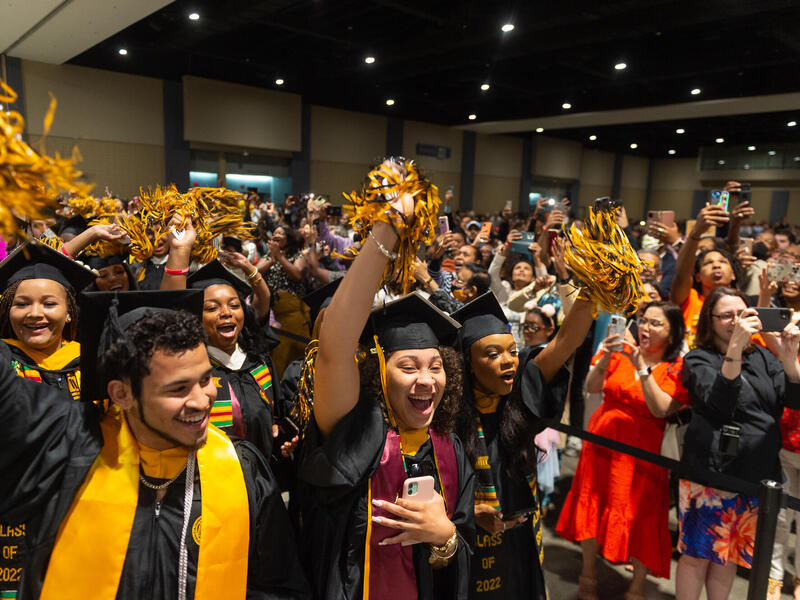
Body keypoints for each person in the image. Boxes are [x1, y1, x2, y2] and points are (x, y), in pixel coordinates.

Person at [0, 289, 310, 599]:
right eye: (178, 389)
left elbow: (279, 586)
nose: (202, 401)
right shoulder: (67, 451)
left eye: (205, 380)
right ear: (122, 395)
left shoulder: (241, 468)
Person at [298, 165, 475, 599]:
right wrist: (388, 227)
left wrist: (444, 537)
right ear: (378, 370)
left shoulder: (450, 449)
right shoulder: (357, 434)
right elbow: (336, 343)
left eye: (435, 366)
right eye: (409, 366)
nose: (427, 379)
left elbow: (458, 551)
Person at [451, 291, 593, 599]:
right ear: (468, 364)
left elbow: (566, 340)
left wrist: (591, 288)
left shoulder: (520, 396)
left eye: (512, 352)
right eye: (492, 354)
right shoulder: (446, 419)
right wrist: (469, 513)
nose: (508, 362)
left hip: (518, 542)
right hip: (467, 545)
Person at [557, 301, 689, 599]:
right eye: (643, 320)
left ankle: (637, 586)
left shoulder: (676, 367)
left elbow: (659, 410)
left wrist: (641, 366)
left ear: (672, 334)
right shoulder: (620, 353)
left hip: (643, 452)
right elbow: (591, 387)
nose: (645, 328)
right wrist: (605, 358)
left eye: (656, 323)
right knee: (593, 503)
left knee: (643, 515)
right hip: (602, 441)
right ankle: (587, 574)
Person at [676, 287, 800, 600]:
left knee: (729, 553)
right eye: (726, 316)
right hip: (711, 474)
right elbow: (720, 402)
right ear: (710, 320)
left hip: (754, 472)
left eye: (741, 314)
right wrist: (734, 347)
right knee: (696, 555)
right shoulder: (698, 358)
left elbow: (793, 400)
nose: (735, 321)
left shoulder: (759, 356)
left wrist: (787, 359)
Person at [0, 241, 96, 599]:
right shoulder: (4, 365)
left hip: (84, 508)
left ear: (70, 312)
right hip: (14, 519)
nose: (34, 313)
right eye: (21, 304)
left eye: (49, 303)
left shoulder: (94, 363)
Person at [259, 226, 310, 376]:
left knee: (297, 354)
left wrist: (280, 258)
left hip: (293, 313)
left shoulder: (297, 256)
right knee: (278, 357)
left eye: (280, 233)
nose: (276, 235)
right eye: (274, 233)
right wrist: (272, 259)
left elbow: (297, 274)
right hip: (274, 314)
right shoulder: (268, 256)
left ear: (289, 237)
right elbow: (256, 272)